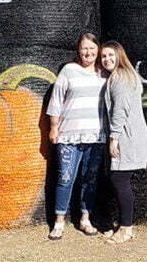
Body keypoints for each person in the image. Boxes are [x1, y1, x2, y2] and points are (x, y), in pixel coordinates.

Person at [45, 32, 106, 240]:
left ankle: (85, 219)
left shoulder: (104, 73)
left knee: (90, 179)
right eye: (84, 48)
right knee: (65, 178)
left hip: (96, 136)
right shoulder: (69, 70)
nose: (88, 52)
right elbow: (56, 100)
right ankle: (58, 222)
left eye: (92, 48)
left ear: (98, 49)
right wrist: (53, 127)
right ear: (78, 50)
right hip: (68, 135)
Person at [99, 40, 147, 245]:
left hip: (127, 136)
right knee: (119, 179)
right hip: (131, 135)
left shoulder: (120, 77)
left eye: (111, 55)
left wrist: (114, 138)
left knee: (120, 180)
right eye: (104, 56)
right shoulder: (126, 75)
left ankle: (126, 229)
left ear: (120, 56)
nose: (107, 59)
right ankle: (124, 226)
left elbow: (120, 110)